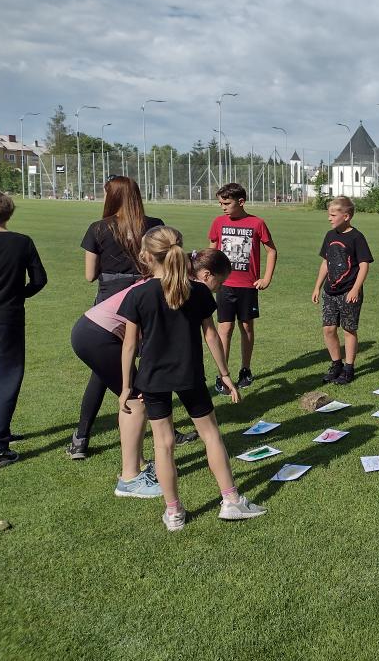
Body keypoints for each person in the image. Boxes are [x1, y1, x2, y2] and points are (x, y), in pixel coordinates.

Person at [117, 227, 266, 531]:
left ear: (148, 256)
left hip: (152, 379)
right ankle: (231, 500)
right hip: (190, 375)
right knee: (211, 435)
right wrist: (225, 374)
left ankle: (173, 512)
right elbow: (211, 335)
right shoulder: (197, 290)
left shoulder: (138, 294)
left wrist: (126, 387)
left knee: (163, 445)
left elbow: (129, 345)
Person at [71, 248, 232, 498]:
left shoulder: (171, 283)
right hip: (99, 335)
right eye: (218, 283)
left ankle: (134, 465)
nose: (217, 289)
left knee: (135, 396)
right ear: (204, 274)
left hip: (92, 331)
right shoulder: (177, 288)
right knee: (136, 401)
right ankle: (130, 478)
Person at [70, 176, 197, 458]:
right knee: (150, 363)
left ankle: (82, 437)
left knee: (104, 371)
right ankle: (167, 429)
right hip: (148, 297)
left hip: (111, 303)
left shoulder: (98, 227)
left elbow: (90, 275)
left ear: (112, 196)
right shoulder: (154, 224)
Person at [0, 192, 47, 470]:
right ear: (8, 214)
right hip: (7, 318)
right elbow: (39, 279)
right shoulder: (22, 242)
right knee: (5, 379)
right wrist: (18, 294)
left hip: (5, 316)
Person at [208, 182, 277, 394]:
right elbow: (211, 252)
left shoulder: (257, 223)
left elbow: (271, 251)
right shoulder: (218, 222)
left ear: (241, 202)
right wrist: (208, 277)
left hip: (247, 286)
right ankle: (222, 374)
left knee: (246, 327)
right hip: (224, 285)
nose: (223, 207)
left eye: (226, 203)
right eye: (220, 203)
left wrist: (266, 278)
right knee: (224, 329)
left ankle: (245, 370)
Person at [311, 196, 372, 385]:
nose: (329, 218)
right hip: (330, 291)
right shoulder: (330, 235)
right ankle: (336, 364)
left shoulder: (357, 237)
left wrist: (355, 289)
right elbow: (325, 262)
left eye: (333, 215)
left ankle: (348, 368)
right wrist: (317, 286)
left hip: (349, 292)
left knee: (348, 329)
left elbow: (364, 265)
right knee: (328, 329)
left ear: (346, 216)